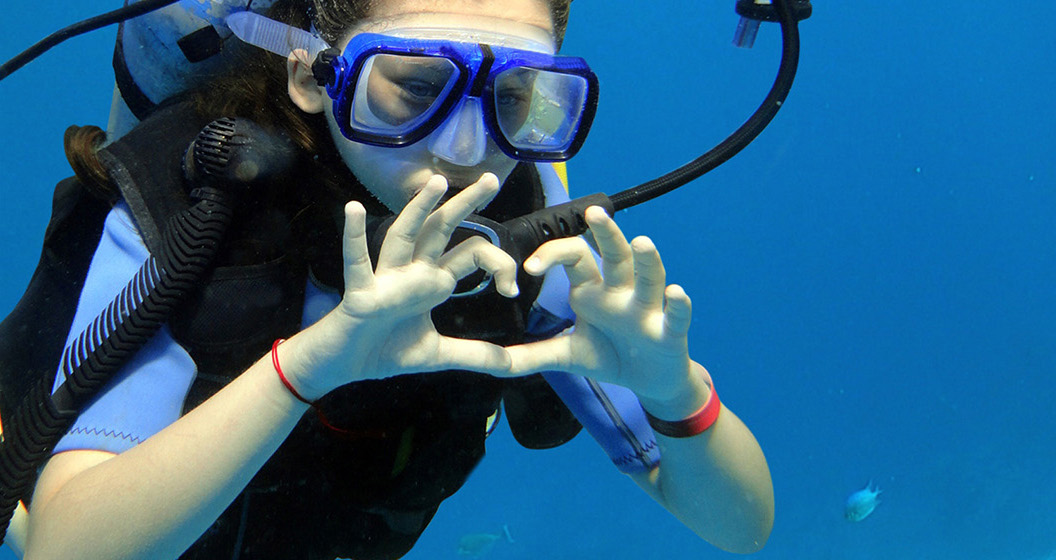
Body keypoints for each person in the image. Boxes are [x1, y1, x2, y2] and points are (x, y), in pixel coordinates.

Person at [3, 0, 774, 558]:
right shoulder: (193, 199)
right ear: (313, 76)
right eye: (413, 88)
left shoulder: (530, 252)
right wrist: (315, 362)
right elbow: (64, 552)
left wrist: (675, 391)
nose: (469, 150)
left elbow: (740, 528)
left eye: (512, 99)